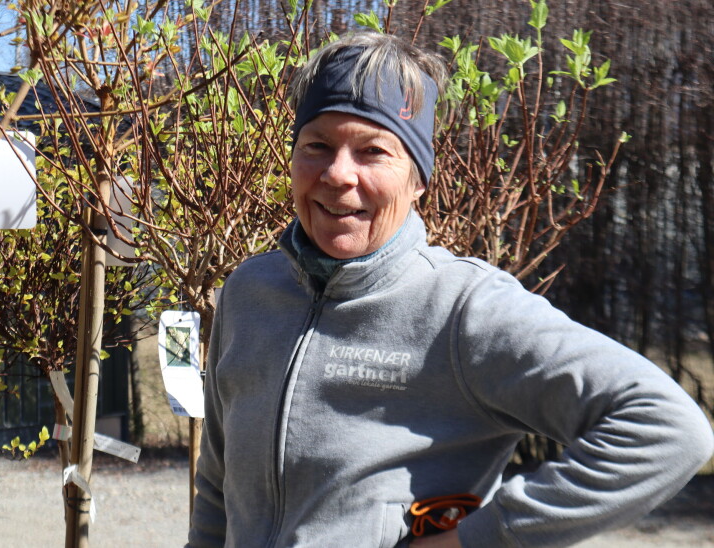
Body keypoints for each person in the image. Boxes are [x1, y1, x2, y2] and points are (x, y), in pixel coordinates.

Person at [187, 31, 714, 548]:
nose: (337, 174)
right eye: (316, 146)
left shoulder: (464, 309)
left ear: (418, 179)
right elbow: (217, 481)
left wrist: (480, 538)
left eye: (372, 152)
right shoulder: (249, 292)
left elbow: (666, 429)